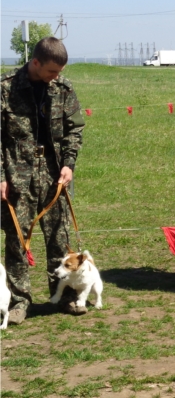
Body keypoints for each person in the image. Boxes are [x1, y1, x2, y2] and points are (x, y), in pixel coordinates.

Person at [1, 36, 86, 324]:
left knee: (59, 237)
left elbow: (75, 130)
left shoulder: (63, 89)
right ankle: (18, 302)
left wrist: (69, 164)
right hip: (17, 175)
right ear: (35, 62)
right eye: (51, 71)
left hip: (54, 175)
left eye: (60, 71)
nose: (56, 77)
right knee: (17, 241)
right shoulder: (5, 88)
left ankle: (63, 296)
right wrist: (1, 176)